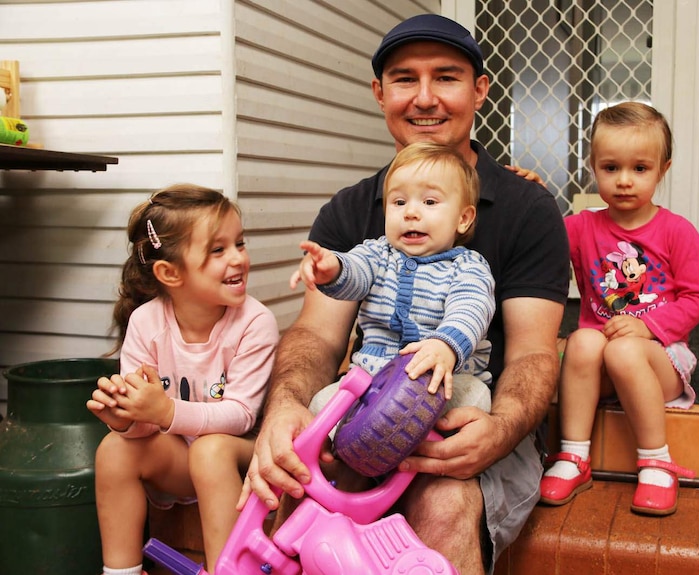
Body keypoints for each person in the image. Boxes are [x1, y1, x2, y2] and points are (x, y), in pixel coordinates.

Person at [242, 14, 570, 575]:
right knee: (297, 484)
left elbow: (536, 354)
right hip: (370, 411)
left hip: (470, 419)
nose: (424, 98)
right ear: (379, 92)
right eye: (403, 79)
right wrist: (287, 407)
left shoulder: (527, 210)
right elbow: (316, 335)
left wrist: (498, 429)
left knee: (442, 502)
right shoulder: (353, 209)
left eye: (446, 77)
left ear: (479, 91)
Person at [86, 184, 280, 575]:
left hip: (241, 459)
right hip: (180, 459)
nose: (238, 259)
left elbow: (241, 415)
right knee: (113, 449)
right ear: (169, 273)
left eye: (239, 243)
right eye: (218, 250)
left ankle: (227, 569)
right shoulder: (146, 322)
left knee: (209, 451)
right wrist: (125, 417)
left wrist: (166, 410)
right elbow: (145, 427)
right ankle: (121, 571)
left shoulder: (254, 322)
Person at [539, 102, 699, 516]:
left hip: (660, 360)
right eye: (611, 168)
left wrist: (649, 326)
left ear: (662, 170)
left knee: (623, 348)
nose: (624, 181)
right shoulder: (581, 227)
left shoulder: (677, 232)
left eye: (640, 169)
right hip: (601, 364)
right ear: (593, 167)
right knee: (581, 341)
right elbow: (537, 237)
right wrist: (527, 193)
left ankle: (656, 460)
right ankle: (573, 456)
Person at [291, 141, 495, 414]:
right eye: (399, 202)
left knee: (476, 397)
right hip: (375, 379)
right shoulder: (376, 254)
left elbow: (472, 309)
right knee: (321, 404)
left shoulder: (468, 266)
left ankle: (406, 440)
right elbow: (356, 272)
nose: (410, 212)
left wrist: (445, 345)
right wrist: (333, 269)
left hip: (440, 378)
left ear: (463, 218)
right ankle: (371, 439)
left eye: (430, 202)